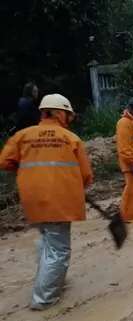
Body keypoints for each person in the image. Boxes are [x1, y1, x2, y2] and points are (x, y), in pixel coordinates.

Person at [0, 94, 93, 310]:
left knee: (46, 240)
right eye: (68, 115)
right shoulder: (70, 139)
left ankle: (52, 279)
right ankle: (44, 299)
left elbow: (5, 162)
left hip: (32, 198)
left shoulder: (23, 136)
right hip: (59, 200)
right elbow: (86, 176)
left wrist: (30, 172)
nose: (69, 119)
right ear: (60, 113)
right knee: (59, 249)